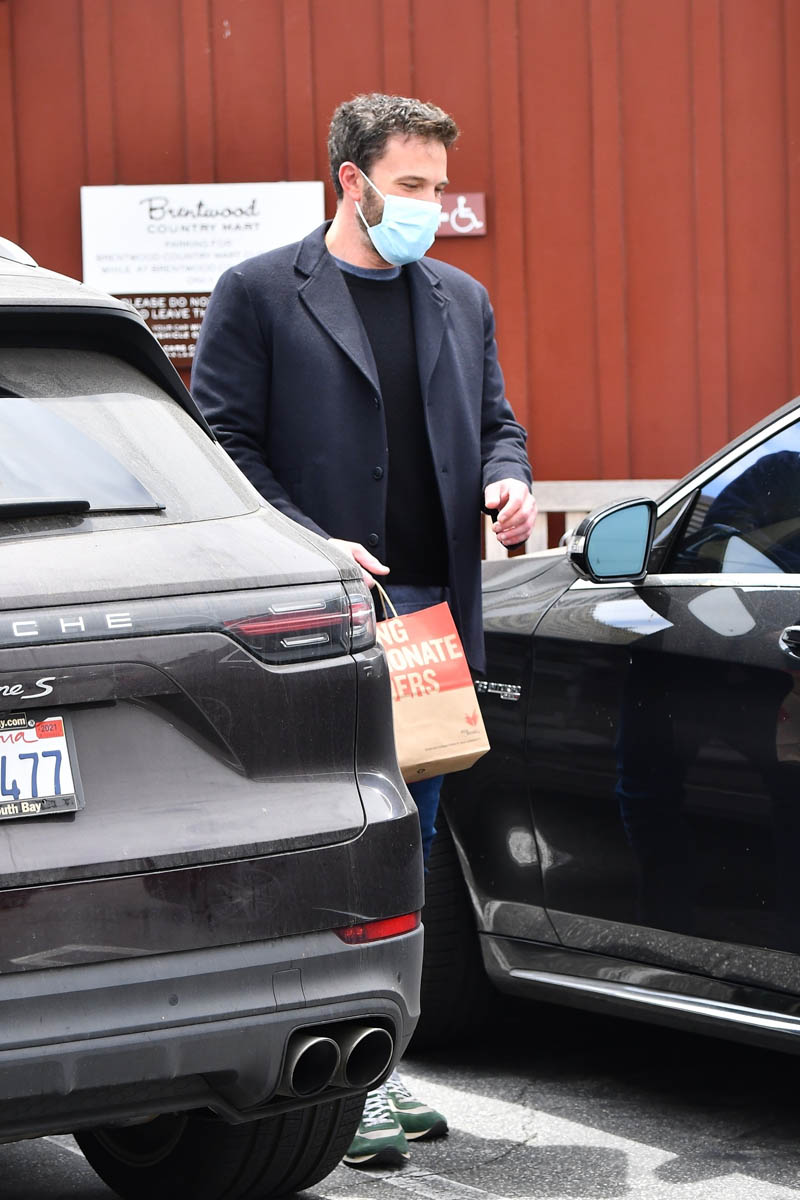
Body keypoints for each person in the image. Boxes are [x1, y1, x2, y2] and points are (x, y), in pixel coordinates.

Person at [191, 92, 536, 1168]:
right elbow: (223, 446)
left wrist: (509, 482)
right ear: (352, 179)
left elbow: (497, 425)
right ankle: (328, 1082)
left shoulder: (460, 298)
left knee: (405, 853)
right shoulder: (259, 292)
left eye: (440, 186)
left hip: (429, 624)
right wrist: (311, 543)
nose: (432, 204)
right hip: (315, 622)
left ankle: (376, 1067)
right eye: (412, 185)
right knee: (326, 853)